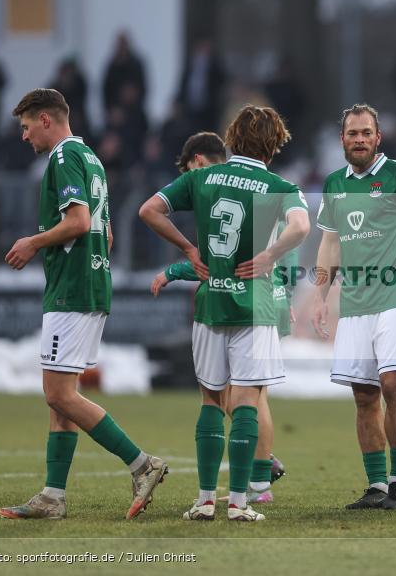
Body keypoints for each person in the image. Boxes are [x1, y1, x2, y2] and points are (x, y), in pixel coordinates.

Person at [0, 88, 168, 520]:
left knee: (56, 393)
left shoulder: (62, 157)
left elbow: (78, 221)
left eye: (25, 127)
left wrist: (33, 243)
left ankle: (142, 463)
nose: (23, 137)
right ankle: (53, 496)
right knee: (62, 398)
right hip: (91, 283)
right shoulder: (92, 158)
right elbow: (105, 235)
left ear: (46, 121)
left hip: (71, 290)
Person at [139, 105, 310, 522]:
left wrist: (188, 249)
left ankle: (204, 500)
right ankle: (239, 502)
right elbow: (301, 227)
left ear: (231, 138)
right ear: (273, 144)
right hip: (253, 304)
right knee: (248, 401)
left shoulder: (200, 177)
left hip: (211, 302)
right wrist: (270, 254)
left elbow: (148, 210)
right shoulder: (279, 185)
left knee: (212, 401)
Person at [312, 104, 396, 510]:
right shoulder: (334, 184)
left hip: (395, 297)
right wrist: (321, 296)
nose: (360, 139)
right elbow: (329, 244)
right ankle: (376, 485)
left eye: (367, 132)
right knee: (363, 394)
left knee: (392, 385)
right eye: (353, 134)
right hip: (353, 303)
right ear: (343, 139)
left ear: (378, 137)